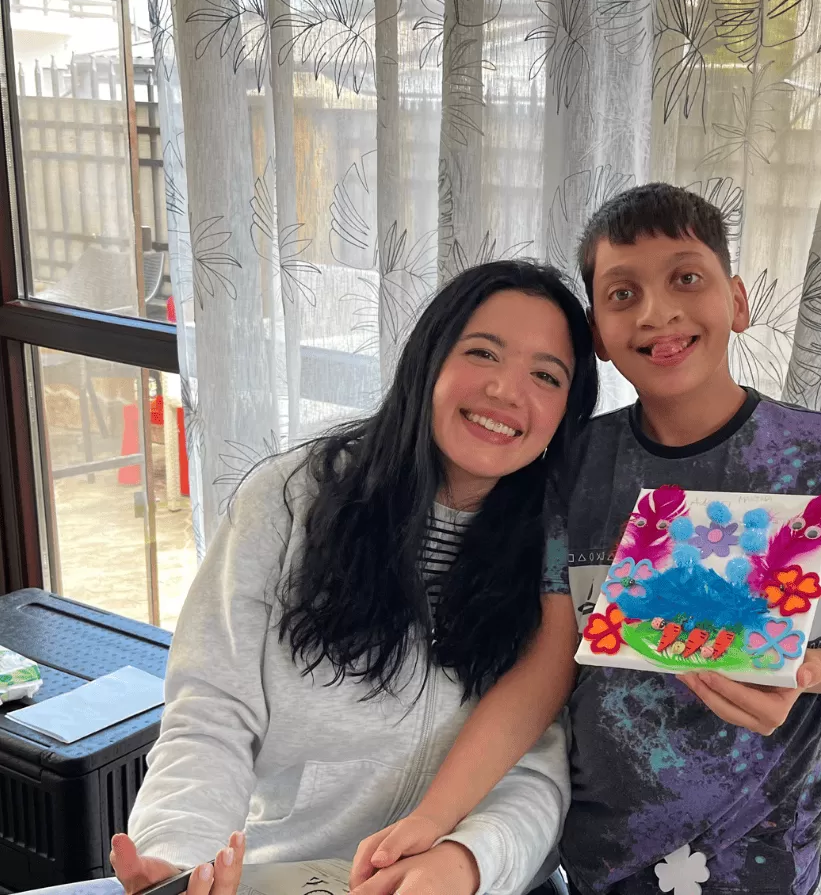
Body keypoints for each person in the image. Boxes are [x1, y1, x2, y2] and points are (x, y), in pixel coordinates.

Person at [360, 184, 821, 895]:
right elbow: (546, 668)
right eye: (622, 292)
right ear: (597, 335)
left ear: (737, 300)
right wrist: (435, 816)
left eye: (686, 278)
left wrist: (809, 672)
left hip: (762, 867)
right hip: (602, 864)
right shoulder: (574, 463)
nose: (658, 311)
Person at [110, 260, 599, 895]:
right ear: (429, 359)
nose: (507, 391)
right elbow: (211, 713)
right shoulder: (289, 501)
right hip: (279, 875)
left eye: (545, 375)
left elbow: (538, 759)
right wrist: (185, 858)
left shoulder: (560, 550)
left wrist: (468, 862)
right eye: (483, 352)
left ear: (569, 410)